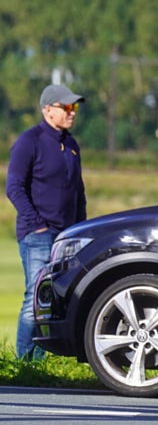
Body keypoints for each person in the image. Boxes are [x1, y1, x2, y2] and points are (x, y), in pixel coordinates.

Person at [6, 84, 88, 360]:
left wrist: (80, 229)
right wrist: (38, 224)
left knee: (56, 300)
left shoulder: (72, 145)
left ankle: (45, 361)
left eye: (74, 107)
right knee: (35, 298)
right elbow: (14, 188)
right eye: (66, 107)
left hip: (67, 236)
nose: (72, 112)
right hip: (37, 235)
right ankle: (25, 364)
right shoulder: (30, 141)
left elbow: (79, 191)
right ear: (47, 110)